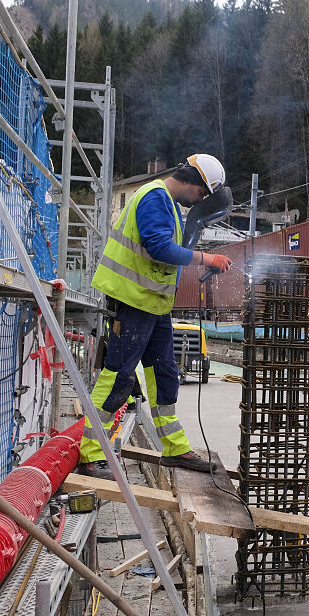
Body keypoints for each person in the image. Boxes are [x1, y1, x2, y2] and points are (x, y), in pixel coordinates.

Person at [77, 154, 233, 479]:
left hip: (153, 304)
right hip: (132, 301)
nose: (199, 200)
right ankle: (92, 453)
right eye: (202, 193)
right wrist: (206, 259)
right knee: (118, 375)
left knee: (165, 373)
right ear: (193, 181)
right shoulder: (154, 197)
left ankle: (174, 448)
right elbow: (159, 248)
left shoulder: (170, 205)